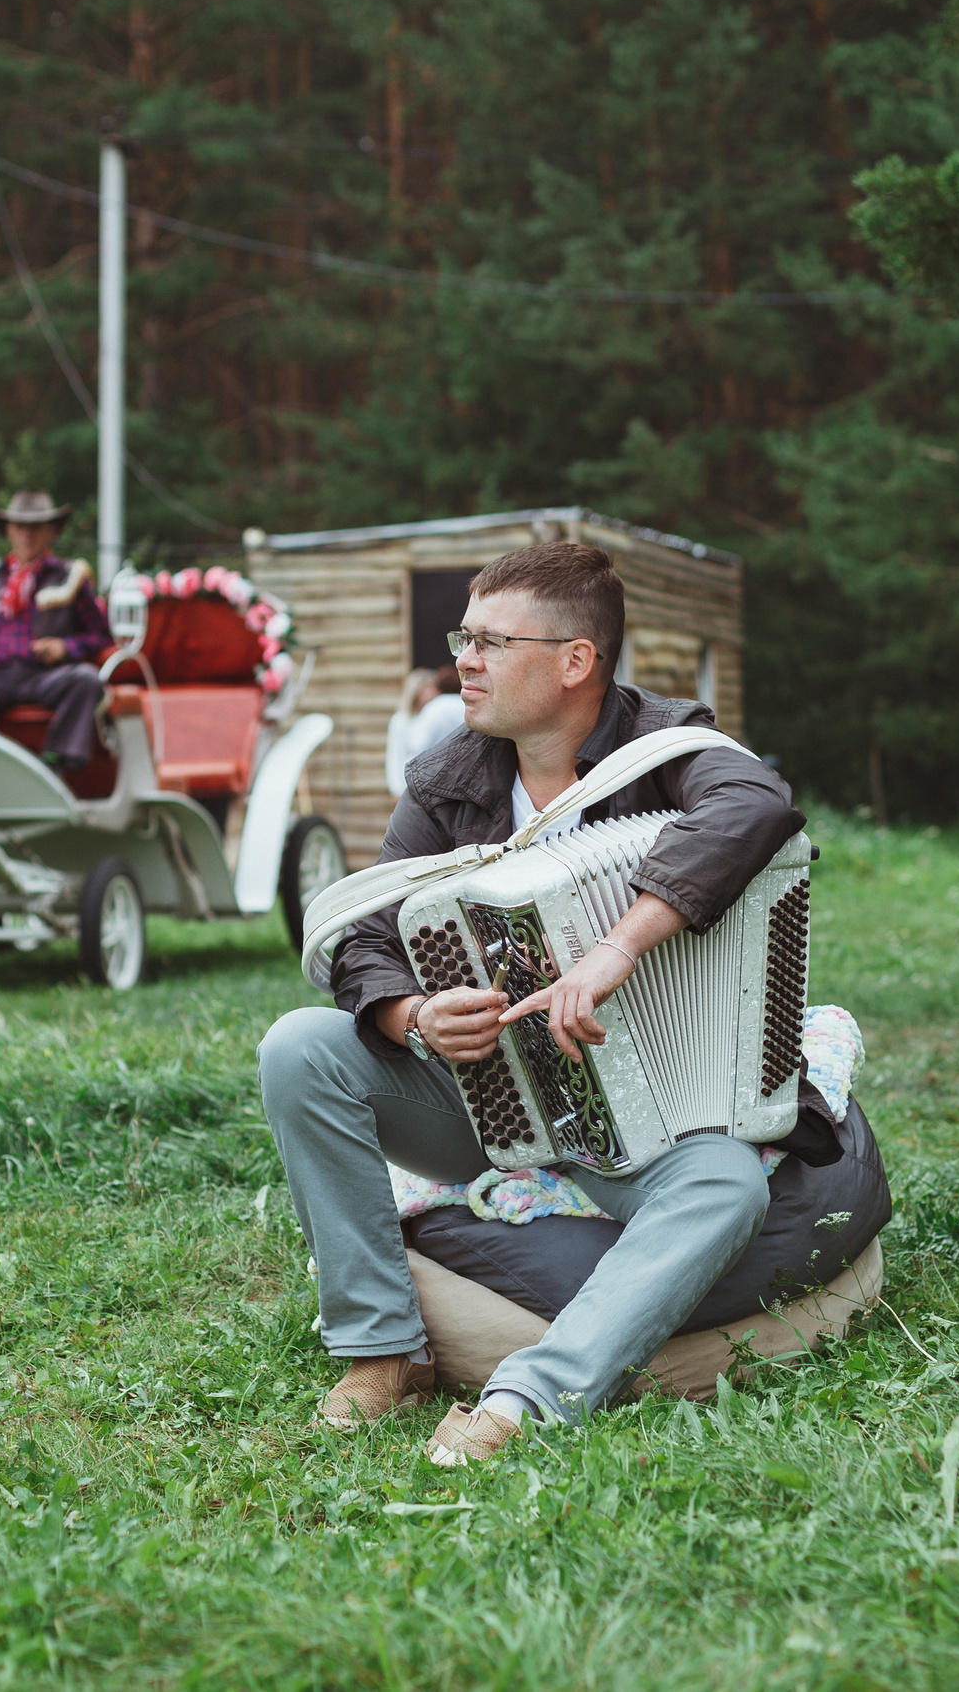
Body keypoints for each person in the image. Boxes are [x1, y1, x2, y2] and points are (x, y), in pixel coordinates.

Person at [256, 541, 802, 1465]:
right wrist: (414, 1019)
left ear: (575, 661)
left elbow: (757, 805)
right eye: (462, 636)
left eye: (489, 641)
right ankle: (386, 1352)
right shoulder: (446, 779)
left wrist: (619, 946)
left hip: (653, 1113)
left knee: (729, 1185)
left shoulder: (674, 749)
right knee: (297, 1048)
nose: (462, 659)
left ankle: (524, 1401)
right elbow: (365, 933)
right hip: (489, 1098)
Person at [0, 490, 112, 772]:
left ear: (51, 531)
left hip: (44, 676)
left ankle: (55, 763)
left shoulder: (69, 576)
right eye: (20, 526)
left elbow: (100, 636)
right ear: (9, 531)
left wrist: (64, 648)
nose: (28, 534)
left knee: (86, 680)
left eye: (36, 527)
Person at [383, 664, 465, 798]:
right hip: (408, 782)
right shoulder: (401, 720)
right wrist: (397, 788)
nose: (430, 693)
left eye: (432, 688)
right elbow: (395, 755)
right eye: (425, 688)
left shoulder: (437, 714)